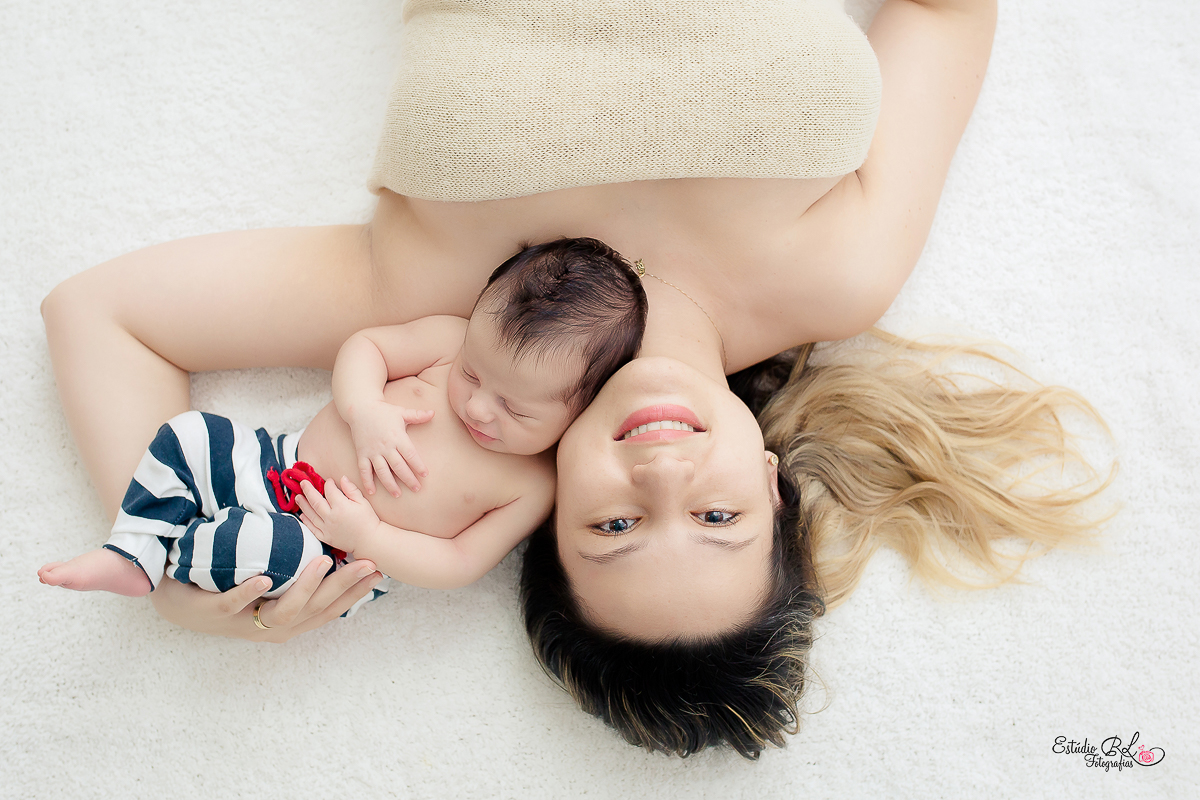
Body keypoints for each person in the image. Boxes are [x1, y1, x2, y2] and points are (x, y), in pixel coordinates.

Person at [37, 0, 1020, 729]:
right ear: (771, 480)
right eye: (717, 517)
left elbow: (99, 313)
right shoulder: (840, 277)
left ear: (549, 506)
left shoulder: (440, 315)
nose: (664, 474)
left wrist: (163, 556)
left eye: (616, 523)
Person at [39, 239, 646, 610]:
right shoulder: (448, 340)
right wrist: (365, 411)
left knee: (263, 552)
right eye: (472, 375)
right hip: (273, 459)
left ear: (579, 412)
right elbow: (367, 348)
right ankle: (133, 549)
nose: (479, 407)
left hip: (326, 553)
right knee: (189, 435)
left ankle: (170, 558)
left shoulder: (532, 485)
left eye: (516, 410)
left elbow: (460, 562)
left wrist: (369, 538)